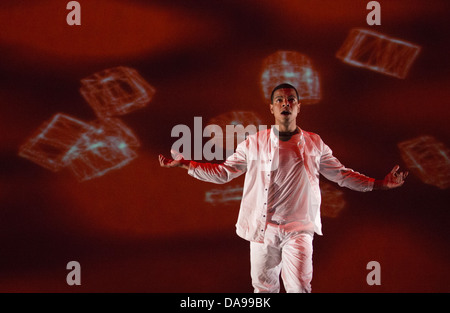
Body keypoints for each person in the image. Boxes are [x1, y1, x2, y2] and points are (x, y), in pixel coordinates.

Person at [158, 83, 408, 293]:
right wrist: (185, 165)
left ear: (298, 107)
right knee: (263, 289)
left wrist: (380, 185)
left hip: (298, 229)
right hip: (262, 230)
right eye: (279, 100)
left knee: (299, 287)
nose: (285, 104)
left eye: (290, 100)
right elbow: (223, 173)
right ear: (272, 108)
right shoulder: (253, 143)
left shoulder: (314, 143)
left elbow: (342, 175)